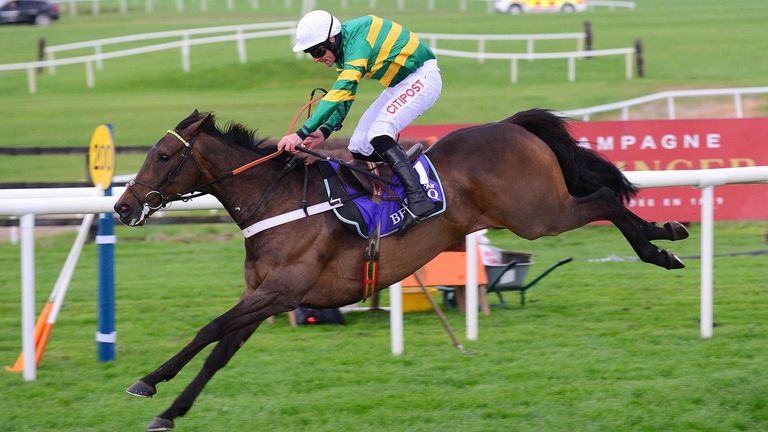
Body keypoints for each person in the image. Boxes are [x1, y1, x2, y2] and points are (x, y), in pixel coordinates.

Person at [277, 10, 443, 234]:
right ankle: (398, 194)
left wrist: (302, 132)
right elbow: (346, 96)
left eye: (317, 50)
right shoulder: (343, 49)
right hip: (399, 85)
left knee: (379, 132)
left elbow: (340, 91)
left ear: (332, 39)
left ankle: (419, 198)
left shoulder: (358, 42)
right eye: (310, 53)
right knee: (359, 145)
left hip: (423, 78)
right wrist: (325, 131)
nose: (316, 58)